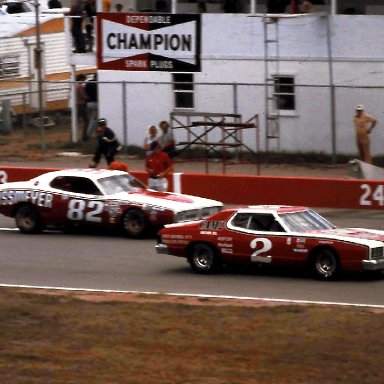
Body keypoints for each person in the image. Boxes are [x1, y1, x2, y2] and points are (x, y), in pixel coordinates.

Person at [75, 74, 89, 141]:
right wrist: (87, 97)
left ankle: (74, 136)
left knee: (77, 120)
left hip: (77, 104)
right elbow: (82, 96)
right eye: (84, 79)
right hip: (81, 104)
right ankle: (84, 136)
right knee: (86, 121)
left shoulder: (75, 85)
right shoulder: (80, 87)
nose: (84, 81)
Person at [85, 73, 98, 138]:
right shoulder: (97, 83)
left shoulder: (88, 83)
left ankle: (96, 134)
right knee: (93, 119)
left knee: (94, 119)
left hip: (88, 103)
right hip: (95, 102)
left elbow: (85, 92)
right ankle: (88, 134)